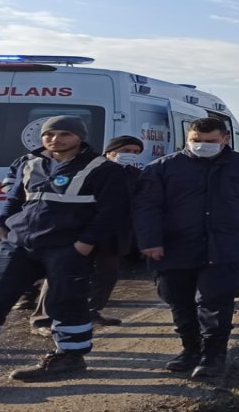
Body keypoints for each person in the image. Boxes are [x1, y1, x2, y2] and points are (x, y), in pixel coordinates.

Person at [0, 116, 129, 388]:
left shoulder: (103, 169)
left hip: (68, 246)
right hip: (20, 243)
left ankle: (70, 357)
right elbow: (15, 200)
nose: (55, 139)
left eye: (64, 134)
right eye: (49, 134)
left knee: (65, 301)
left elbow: (112, 211)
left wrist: (86, 242)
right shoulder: (31, 163)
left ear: (80, 137)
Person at [131, 117, 239, 379]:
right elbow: (147, 207)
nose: (202, 146)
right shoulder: (162, 168)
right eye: (196, 141)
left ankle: (213, 356)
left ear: (225, 139)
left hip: (226, 244)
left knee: (216, 300)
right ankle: (190, 350)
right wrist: (149, 241)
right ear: (187, 138)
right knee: (179, 300)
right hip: (176, 246)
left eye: (210, 142)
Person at [29, 135, 143, 335]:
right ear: (110, 152)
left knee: (106, 275)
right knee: (61, 275)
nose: (131, 156)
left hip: (115, 235)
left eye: (135, 152)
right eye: (126, 151)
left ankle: (91, 311)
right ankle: (43, 320)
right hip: (82, 232)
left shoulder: (136, 174)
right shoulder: (93, 169)